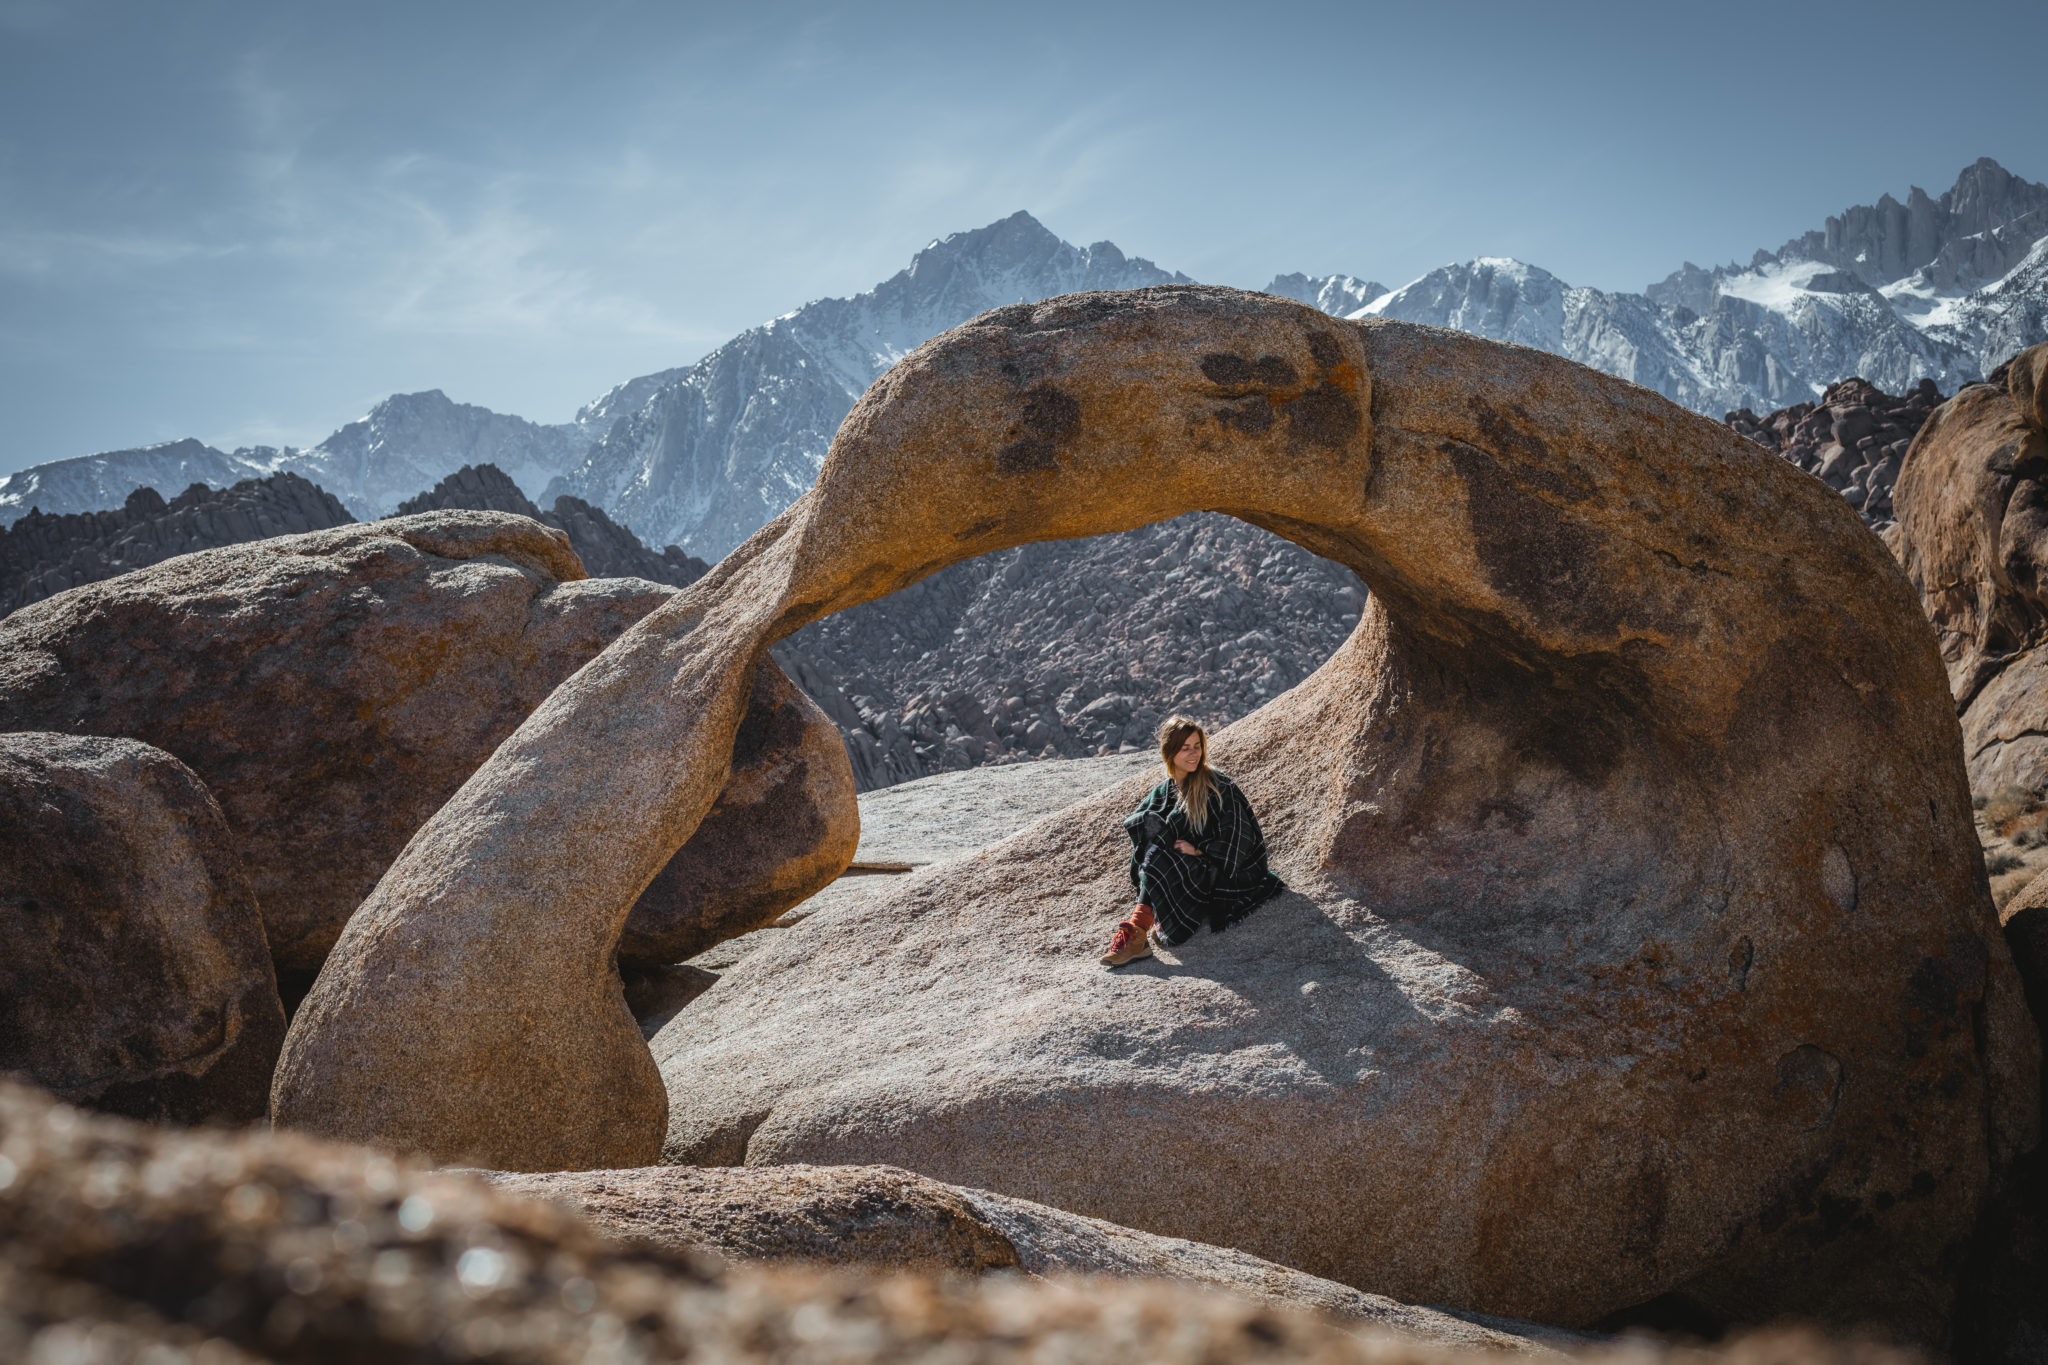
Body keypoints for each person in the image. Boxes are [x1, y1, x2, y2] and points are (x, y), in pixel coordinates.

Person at [1100, 715, 1284, 966]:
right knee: (1150, 833)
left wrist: (1199, 851)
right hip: (1183, 867)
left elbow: (1239, 838)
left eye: (1197, 746)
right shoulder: (1164, 791)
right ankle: (1138, 932)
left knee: (1157, 859)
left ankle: (1136, 931)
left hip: (1223, 873)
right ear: (1170, 752)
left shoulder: (1218, 785)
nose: (1193, 754)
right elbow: (1140, 834)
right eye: (1185, 748)